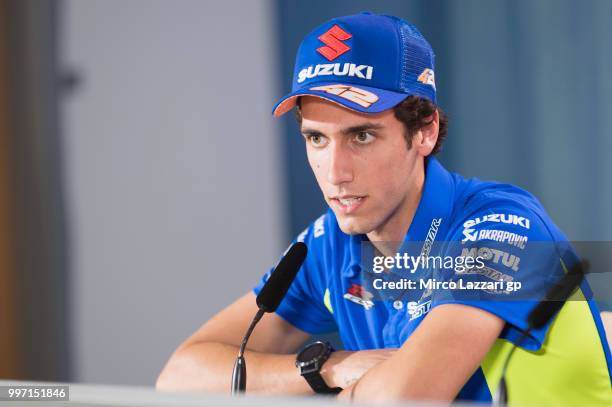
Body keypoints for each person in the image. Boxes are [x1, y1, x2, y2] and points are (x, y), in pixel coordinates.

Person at [157, 12, 612, 405]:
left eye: (362, 136)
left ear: (425, 132)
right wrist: (329, 369)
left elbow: (404, 397)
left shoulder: (502, 226)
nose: (335, 172)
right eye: (316, 138)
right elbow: (180, 379)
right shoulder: (328, 245)